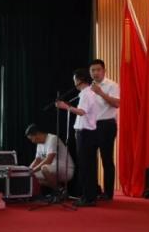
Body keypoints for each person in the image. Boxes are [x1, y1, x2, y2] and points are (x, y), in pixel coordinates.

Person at [55, 68, 100, 207]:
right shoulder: (87, 93)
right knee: (88, 166)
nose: (74, 82)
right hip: (88, 133)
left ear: (79, 80)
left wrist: (65, 107)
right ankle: (90, 196)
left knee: (86, 166)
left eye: (75, 79)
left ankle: (88, 198)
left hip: (85, 133)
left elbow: (81, 112)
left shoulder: (86, 94)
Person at [88, 59, 120, 200]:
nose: (95, 73)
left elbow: (116, 104)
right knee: (90, 160)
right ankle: (93, 190)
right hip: (90, 126)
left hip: (106, 125)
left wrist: (100, 93)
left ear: (104, 71)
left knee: (106, 159)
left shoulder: (112, 85)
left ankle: (108, 193)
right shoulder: (89, 87)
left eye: (98, 70)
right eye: (92, 70)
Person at [25, 124, 75, 190]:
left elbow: (49, 160)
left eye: (32, 139)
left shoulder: (52, 139)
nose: (32, 141)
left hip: (66, 169)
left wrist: (33, 170)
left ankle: (59, 191)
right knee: (32, 177)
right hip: (53, 169)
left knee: (44, 168)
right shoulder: (39, 144)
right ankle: (60, 190)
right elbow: (37, 160)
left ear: (37, 134)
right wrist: (27, 171)